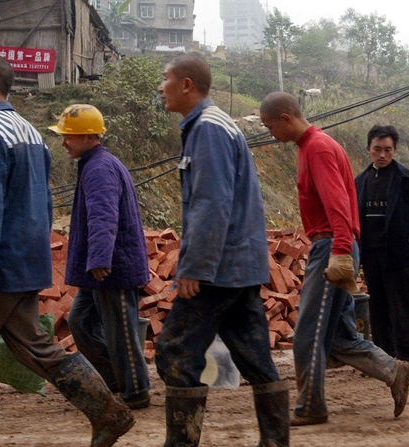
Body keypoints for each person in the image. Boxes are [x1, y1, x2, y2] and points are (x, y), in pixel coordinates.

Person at [0, 54, 133, 447]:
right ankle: (110, 413)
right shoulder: (29, 132)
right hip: (23, 264)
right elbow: (45, 204)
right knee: (37, 347)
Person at [154, 54, 289, 447]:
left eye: (166, 79)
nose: (161, 87)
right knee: (255, 357)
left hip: (218, 269)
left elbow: (211, 204)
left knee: (175, 352)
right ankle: (276, 442)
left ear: (186, 85)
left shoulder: (208, 129)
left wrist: (195, 266)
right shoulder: (214, 125)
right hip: (240, 266)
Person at [259, 92, 409, 427]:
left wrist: (341, 251)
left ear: (286, 118)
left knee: (308, 332)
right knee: (339, 337)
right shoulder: (310, 147)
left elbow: (338, 203)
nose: (270, 134)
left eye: (270, 126)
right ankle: (394, 370)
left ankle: (311, 405)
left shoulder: (318, 148)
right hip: (333, 244)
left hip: (332, 247)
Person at [49, 104, 152, 410]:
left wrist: (99, 259)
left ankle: (136, 390)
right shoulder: (93, 164)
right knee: (80, 321)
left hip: (112, 267)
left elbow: (103, 216)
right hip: (104, 267)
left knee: (121, 331)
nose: (64, 142)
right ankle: (115, 379)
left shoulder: (99, 169)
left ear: (89, 136)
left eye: (69, 136)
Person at [354, 125, 409, 379]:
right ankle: (383, 360)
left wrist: (401, 236)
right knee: (379, 309)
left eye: (387, 150)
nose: (382, 155)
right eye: (377, 149)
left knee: (403, 309)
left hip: (398, 255)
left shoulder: (408, 181)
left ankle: (408, 362)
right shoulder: (360, 182)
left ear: (394, 150)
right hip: (371, 256)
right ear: (368, 150)